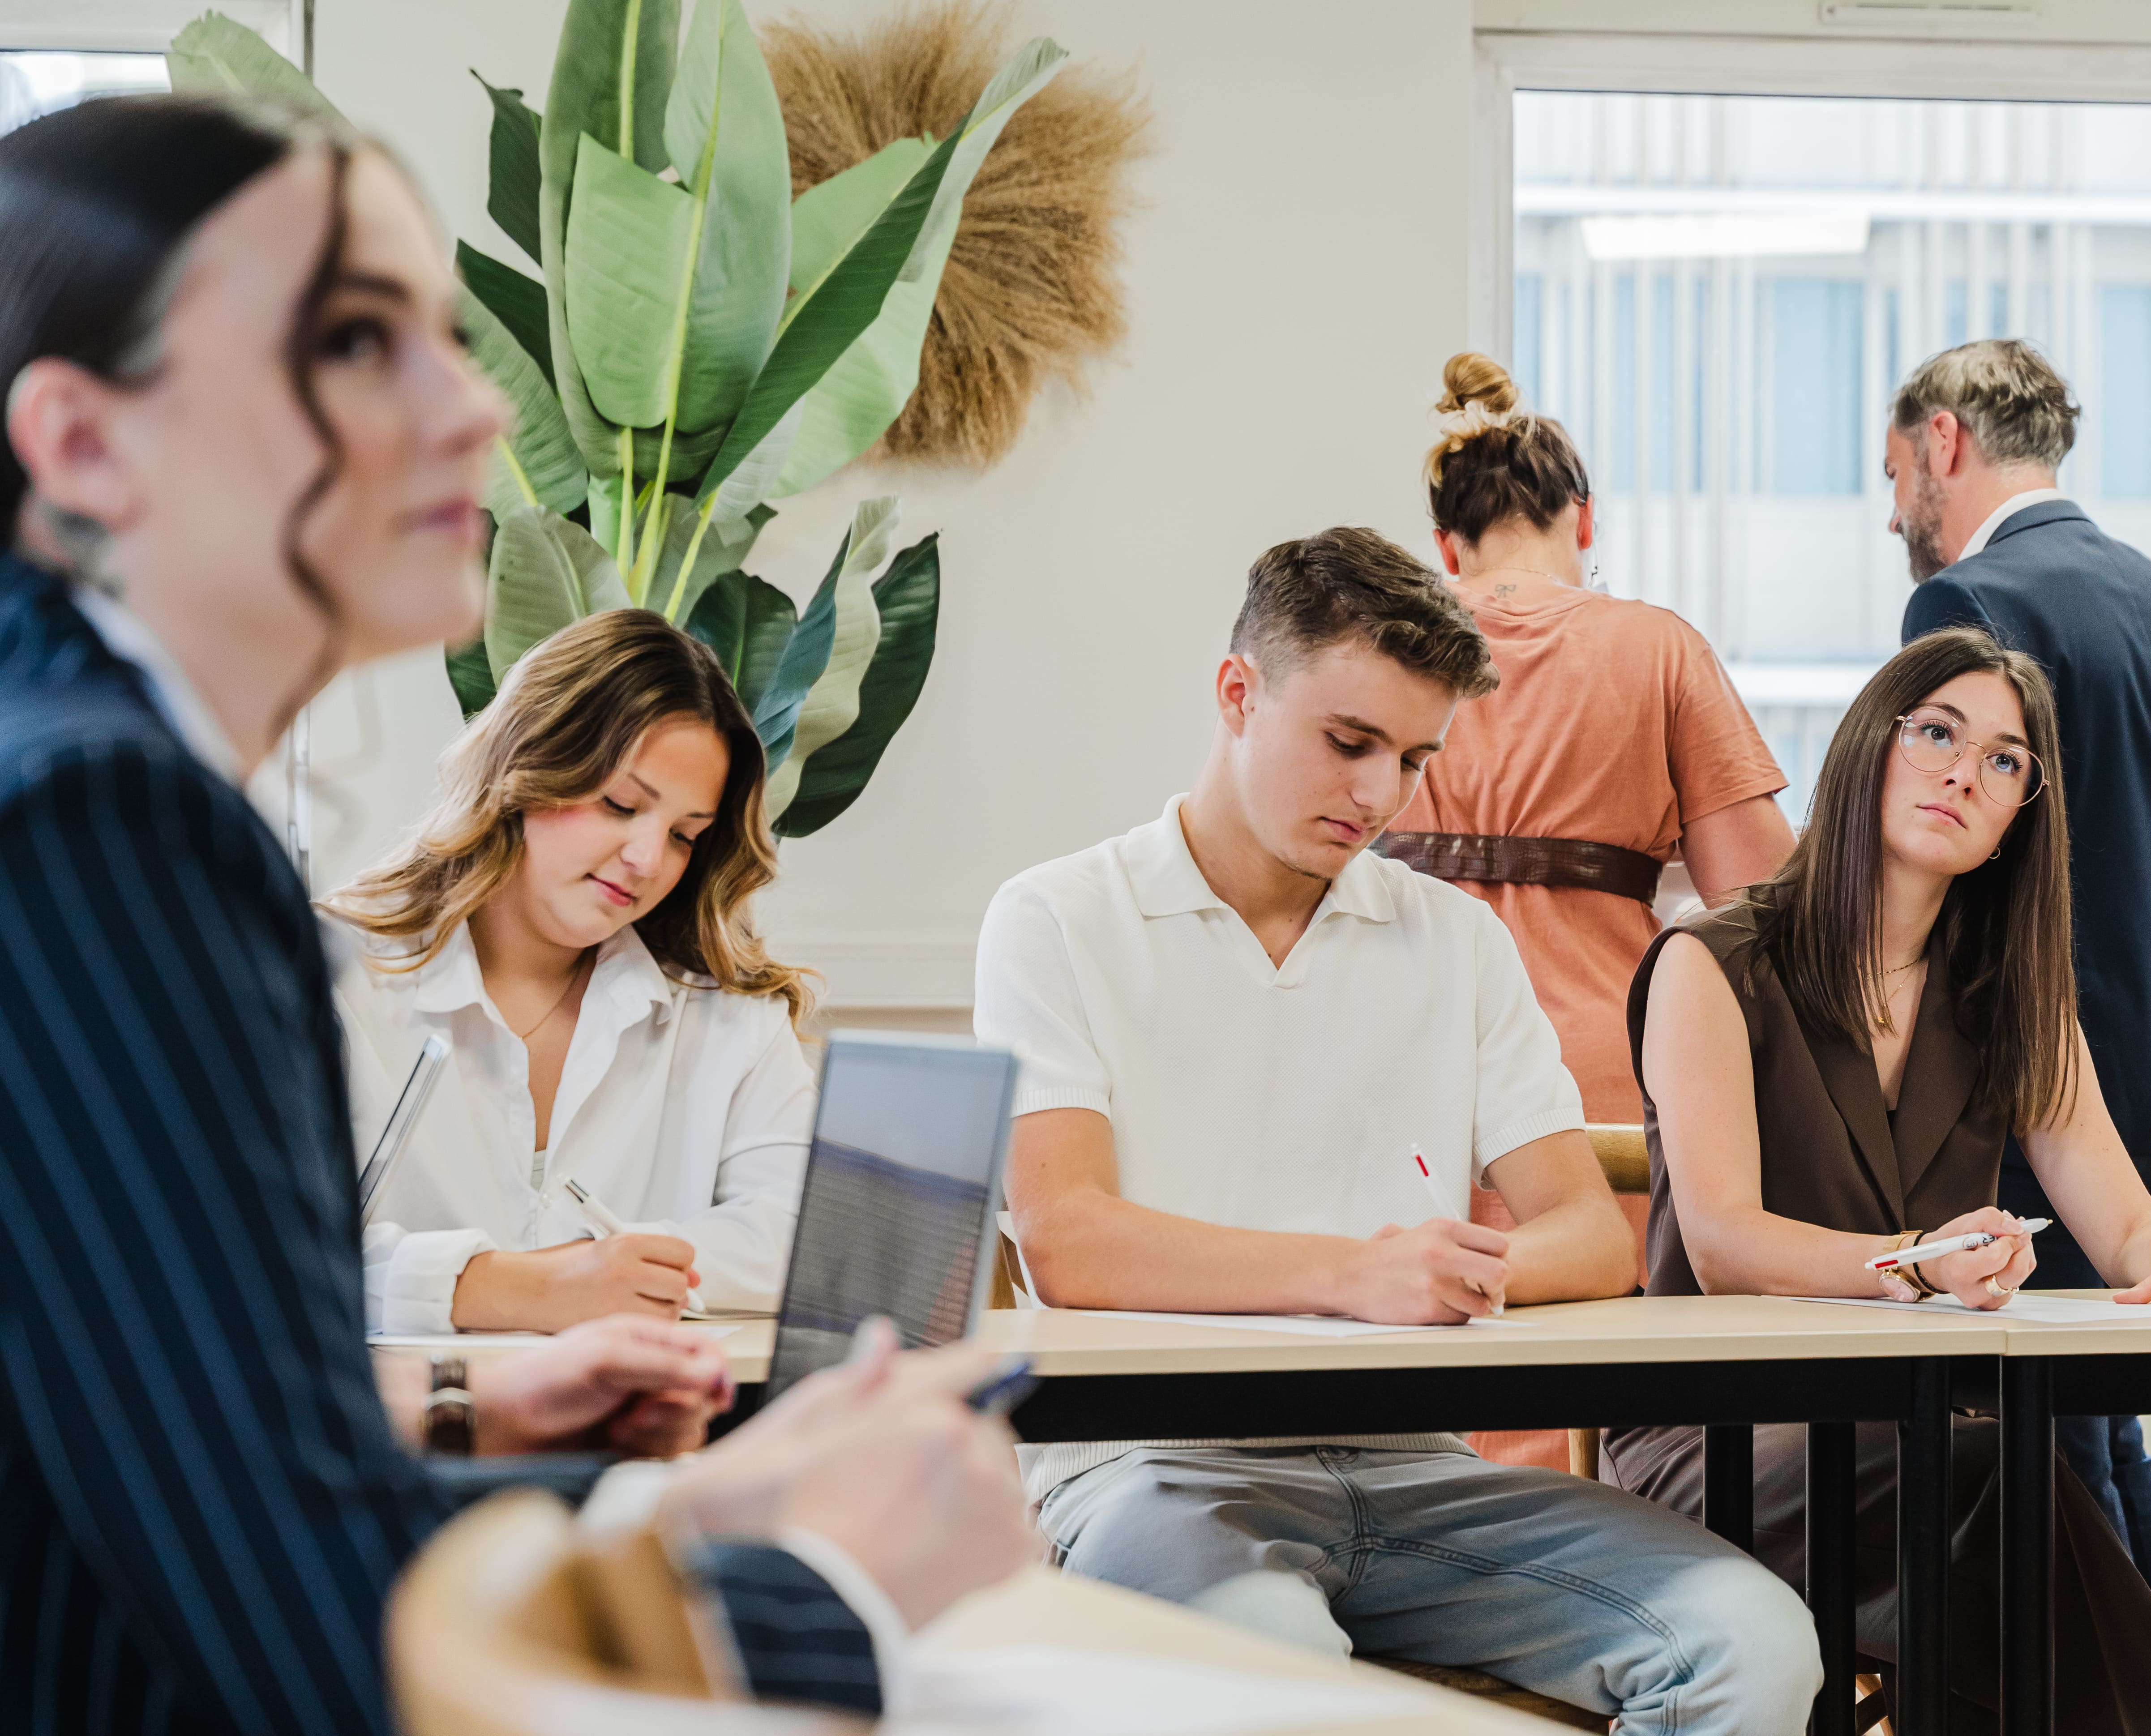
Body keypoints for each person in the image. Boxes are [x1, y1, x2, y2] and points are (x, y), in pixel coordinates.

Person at [0, 94, 1030, 1732]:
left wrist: (520, 1441)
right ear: (81, 443)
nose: (473, 405)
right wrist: (823, 1578)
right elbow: (309, 1624)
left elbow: (158, 1444)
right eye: (354, 340)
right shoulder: (104, 825)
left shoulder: (56, 766)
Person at [975, 527, 1821, 1733]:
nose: (1381, 795)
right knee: (1279, 1677)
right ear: (1236, 693)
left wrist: (1452, 1272)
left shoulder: (1456, 941)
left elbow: (1588, 1236)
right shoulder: (1056, 917)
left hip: (1417, 1466)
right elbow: (1068, 1236)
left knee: (1751, 1637)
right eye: (1349, 742)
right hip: (1152, 1468)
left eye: (1416, 757)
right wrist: (1359, 1272)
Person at [1606, 626, 2151, 1735]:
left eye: (2001, 761)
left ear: (2020, 812)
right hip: (1715, 1435)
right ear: (1867, 747)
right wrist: (1915, 1270)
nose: (1959, 773)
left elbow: (2129, 1232)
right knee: (2002, 1482)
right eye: (1934, 732)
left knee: (1997, 1517)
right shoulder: (1712, 959)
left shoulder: (2008, 992)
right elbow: (1725, 1242)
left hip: (1916, 1430)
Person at [1890, 337, 2151, 1640]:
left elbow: (1946, 877)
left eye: (1895, 472)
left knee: (2038, 1459)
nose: (1891, 506)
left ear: (1944, 443)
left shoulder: (1968, 601)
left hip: (2030, 1100)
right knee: (2095, 1434)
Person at [1387, 352, 1795, 1470]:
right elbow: (1768, 911)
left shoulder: (1385, 645)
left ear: (1443, 544)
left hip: (1399, 1055)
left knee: (1413, 1352)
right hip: (1599, 1082)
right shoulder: (1655, 647)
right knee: (1585, 1386)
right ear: (1583, 517)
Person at [322, 609, 811, 1334]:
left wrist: (598, 1273)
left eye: (684, 835)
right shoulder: (326, 975)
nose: (648, 860)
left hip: (658, 1439)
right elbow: (247, 1254)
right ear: (524, 768)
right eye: (619, 804)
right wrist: (524, 1287)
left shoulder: (730, 1014)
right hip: (398, 1438)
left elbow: (799, 1242)